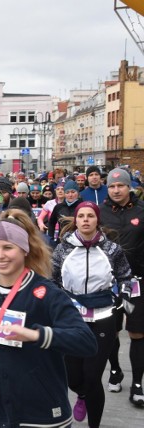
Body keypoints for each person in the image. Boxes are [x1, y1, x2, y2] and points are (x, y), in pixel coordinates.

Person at [0, 209, 97, 428]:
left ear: (25, 250)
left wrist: (37, 334)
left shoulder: (47, 293)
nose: (0, 255)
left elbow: (86, 342)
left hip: (39, 409)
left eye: (8, 248)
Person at [52, 201, 132, 427]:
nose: (85, 220)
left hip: (102, 316)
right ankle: (82, 395)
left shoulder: (111, 249)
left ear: (98, 220)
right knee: (74, 377)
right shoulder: (63, 248)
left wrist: (121, 300)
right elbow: (51, 279)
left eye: (90, 216)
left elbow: (126, 277)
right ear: (75, 220)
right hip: (71, 318)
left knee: (93, 377)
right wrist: (59, 303)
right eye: (81, 216)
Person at [99, 168, 144, 406]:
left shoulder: (141, 211)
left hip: (137, 282)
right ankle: (115, 370)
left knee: (137, 332)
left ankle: (137, 384)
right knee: (111, 331)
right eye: (112, 186)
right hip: (109, 282)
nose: (116, 190)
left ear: (130, 187)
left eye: (121, 186)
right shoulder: (101, 212)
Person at [48, 180, 83, 245]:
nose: (70, 195)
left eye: (73, 192)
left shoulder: (83, 207)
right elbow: (51, 223)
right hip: (61, 242)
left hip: (79, 243)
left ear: (78, 193)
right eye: (67, 192)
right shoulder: (58, 207)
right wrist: (51, 239)